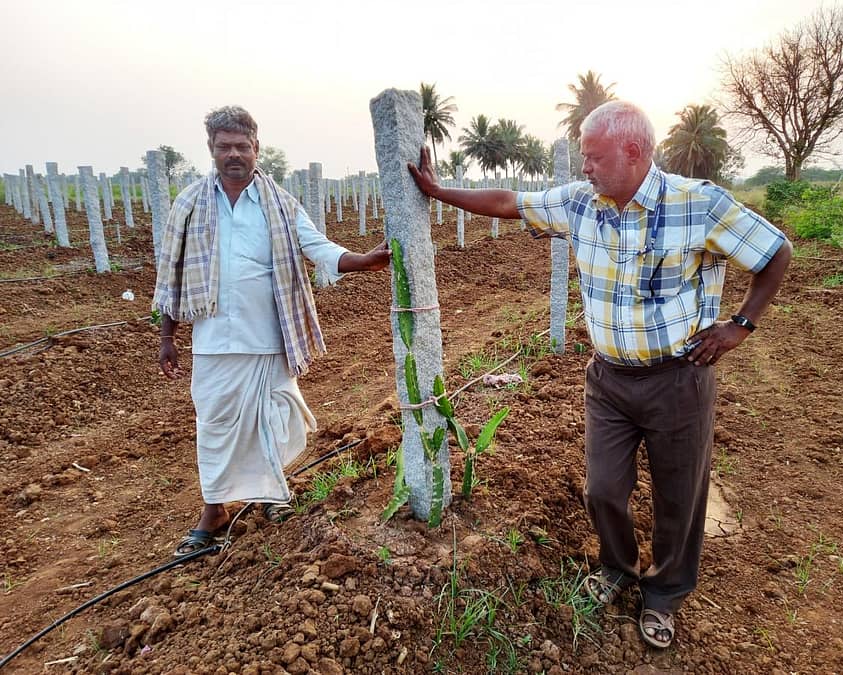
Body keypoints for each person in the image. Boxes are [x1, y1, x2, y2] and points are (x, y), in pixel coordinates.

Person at [408, 100, 792, 649]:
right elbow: (511, 202)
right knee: (604, 488)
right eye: (583, 158)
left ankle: (665, 593)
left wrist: (740, 326)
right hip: (608, 381)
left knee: (679, 497)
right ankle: (617, 567)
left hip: (678, 378)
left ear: (633, 152)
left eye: (593, 157)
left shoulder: (698, 205)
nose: (583, 167)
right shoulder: (580, 203)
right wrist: (442, 193)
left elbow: (776, 252)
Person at [153, 105, 390, 557]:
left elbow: (314, 245)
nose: (234, 154)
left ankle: (269, 495)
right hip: (215, 342)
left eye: (242, 146)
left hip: (271, 336)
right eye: (225, 147)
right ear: (212, 150)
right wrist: (168, 337)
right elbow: (173, 276)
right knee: (216, 425)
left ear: (257, 148)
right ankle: (214, 510)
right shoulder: (188, 205)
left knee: (274, 418)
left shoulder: (280, 203)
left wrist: (360, 260)